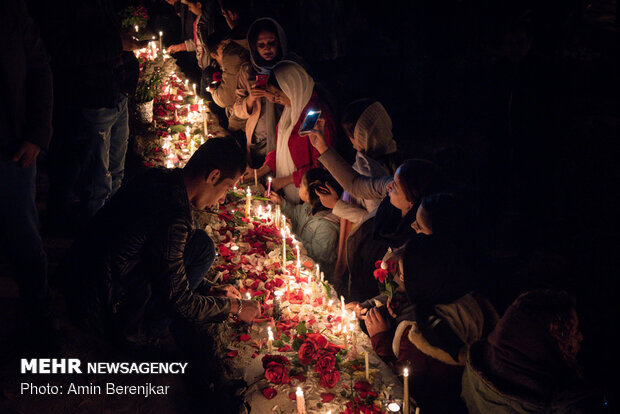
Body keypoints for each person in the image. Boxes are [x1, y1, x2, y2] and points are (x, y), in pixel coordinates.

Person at [62, 138, 261, 347]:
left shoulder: (157, 178)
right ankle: (140, 336)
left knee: (198, 242)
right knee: (203, 249)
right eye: (227, 188)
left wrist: (209, 290)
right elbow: (180, 301)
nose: (222, 199)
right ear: (213, 176)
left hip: (83, 284)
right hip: (101, 308)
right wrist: (235, 307)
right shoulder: (174, 216)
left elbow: (160, 260)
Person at [310, 128, 448, 299]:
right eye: (392, 180)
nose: (389, 186)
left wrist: (370, 306)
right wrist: (323, 148)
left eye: (395, 186)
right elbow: (355, 184)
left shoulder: (416, 237)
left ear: (411, 202)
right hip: (359, 278)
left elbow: (401, 292)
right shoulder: (390, 197)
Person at [364, 237, 498, 414]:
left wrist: (380, 338)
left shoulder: (426, 335)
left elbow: (400, 388)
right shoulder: (467, 302)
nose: (401, 278)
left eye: (405, 274)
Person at [46, 0, 138, 223]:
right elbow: (65, 51)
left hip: (115, 91)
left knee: (116, 171)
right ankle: (96, 234)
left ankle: (110, 225)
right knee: (97, 180)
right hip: (93, 96)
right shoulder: (64, 9)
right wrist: (117, 43)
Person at [0, 0, 54, 344]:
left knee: (23, 235)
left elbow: (39, 70)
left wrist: (37, 134)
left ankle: (39, 318)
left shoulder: (11, 11)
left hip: (11, 145)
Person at [462, 290, 595, 414]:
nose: (580, 337)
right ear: (545, 345)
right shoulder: (560, 406)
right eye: (572, 334)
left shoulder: (477, 372)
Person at [249, 60, 336, 203]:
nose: (276, 100)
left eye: (278, 94)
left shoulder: (316, 116)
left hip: (307, 196)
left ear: (292, 88)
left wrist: (287, 180)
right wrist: (259, 171)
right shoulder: (292, 110)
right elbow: (283, 149)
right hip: (288, 192)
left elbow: (321, 166)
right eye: (273, 95)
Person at [315, 99, 404, 224]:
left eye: (351, 136)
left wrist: (336, 205)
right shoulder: (396, 158)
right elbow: (354, 184)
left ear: (362, 135)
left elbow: (375, 221)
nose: (351, 143)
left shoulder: (370, 168)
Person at [234, 17, 303, 167]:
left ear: (280, 42)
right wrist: (250, 100)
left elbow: (304, 102)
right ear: (254, 47)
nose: (267, 49)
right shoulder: (248, 71)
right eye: (261, 45)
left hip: (287, 140)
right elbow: (237, 110)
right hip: (258, 143)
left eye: (272, 43)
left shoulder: (293, 68)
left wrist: (277, 95)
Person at [266, 168, 342, 281]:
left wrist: (291, 234)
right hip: (294, 259)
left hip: (311, 276)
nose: (298, 187)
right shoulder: (308, 207)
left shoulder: (327, 226)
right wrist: (281, 203)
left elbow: (317, 256)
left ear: (313, 192)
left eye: (301, 185)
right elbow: (295, 214)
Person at [205, 31, 249, 133]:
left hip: (242, 122)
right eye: (224, 47)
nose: (227, 48)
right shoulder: (219, 65)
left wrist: (213, 92)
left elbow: (225, 98)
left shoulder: (232, 58)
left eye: (226, 45)